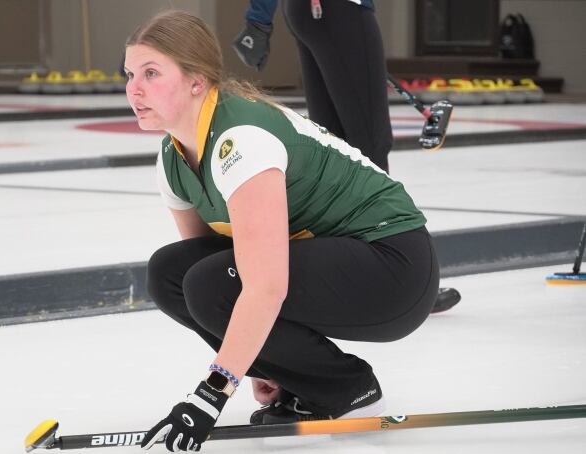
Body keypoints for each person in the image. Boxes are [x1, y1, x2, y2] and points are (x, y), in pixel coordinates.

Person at [125, 10, 439, 452]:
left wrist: (212, 392)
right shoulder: (173, 157)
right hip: (336, 260)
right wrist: (265, 364)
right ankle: (305, 382)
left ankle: (347, 388)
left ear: (197, 80)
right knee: (171, 273)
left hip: (394, 267)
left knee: (208, 283)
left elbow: (262, 287)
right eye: (130, 74)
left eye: (151, 73)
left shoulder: (242, 140)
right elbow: (212, 260)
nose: (133, 89)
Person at [233, 0, 461, 315]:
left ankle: (341, 277)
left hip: (306, 12)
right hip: (340, 10)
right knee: (369, 147)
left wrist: (259, 19)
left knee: (338, 152)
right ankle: (403, 281)